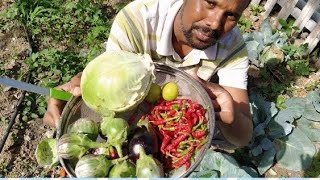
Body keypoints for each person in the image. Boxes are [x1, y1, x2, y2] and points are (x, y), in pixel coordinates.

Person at [44, 0, 253, 149]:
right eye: (210, 2)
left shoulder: (232, 48)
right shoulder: (136, 21)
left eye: (231, 15)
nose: (215, 23)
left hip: (176, 125)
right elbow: (110, 77)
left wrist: (230, 117)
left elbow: (242, 137)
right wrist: (83, 87)